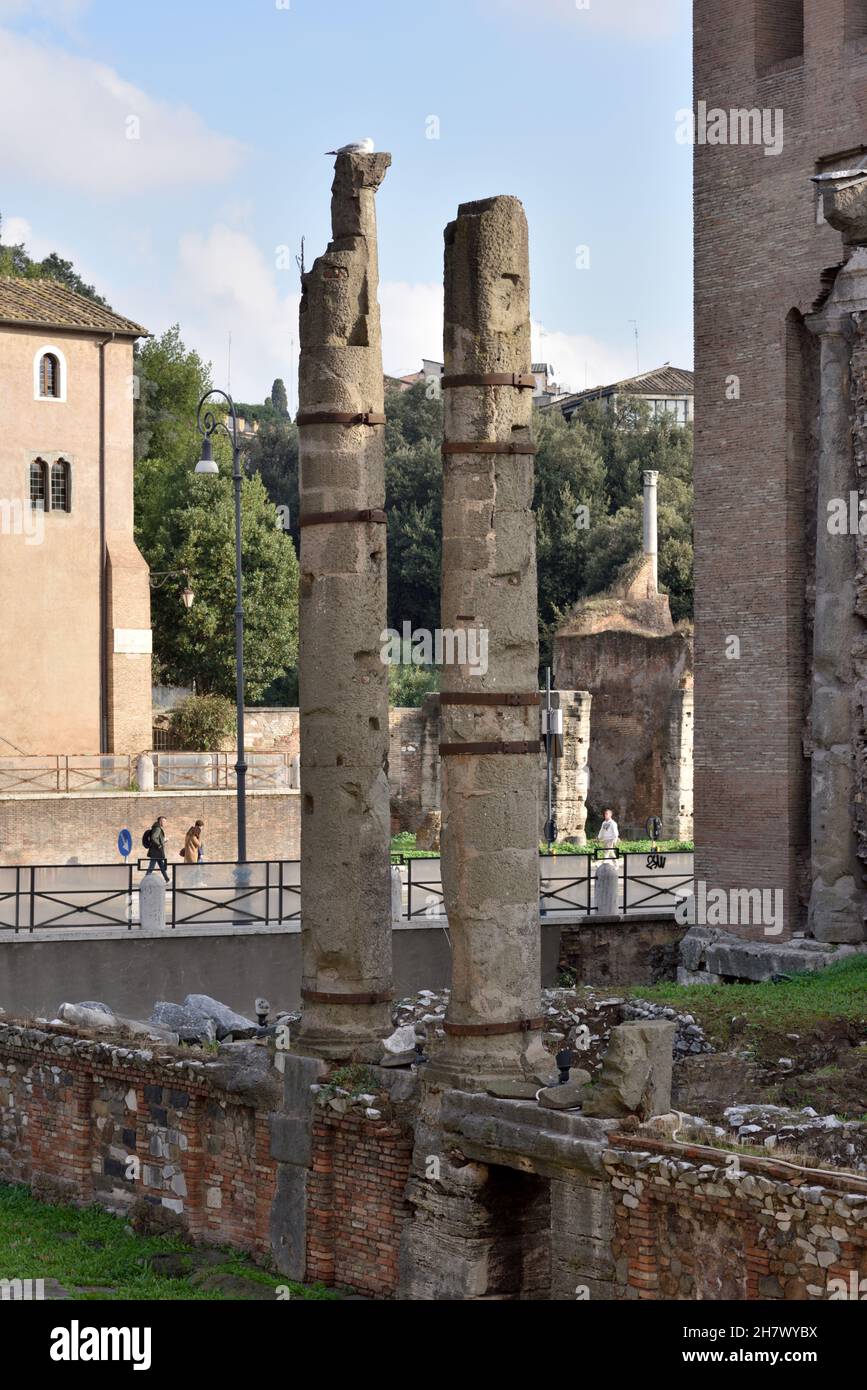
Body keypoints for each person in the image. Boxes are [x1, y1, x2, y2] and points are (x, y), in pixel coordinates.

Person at [145, 816, 169, 882]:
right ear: (160, 821)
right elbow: (153, 837)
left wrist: (164, 840)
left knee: (161, 866)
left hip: (156, 851)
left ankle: (167, 879)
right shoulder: (157, 828)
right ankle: (146, 879)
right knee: (151, 866)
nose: (165, 823)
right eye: (164, 821)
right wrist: (159, 845)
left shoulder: (156, 827)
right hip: (156, 851)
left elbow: (157, 838)